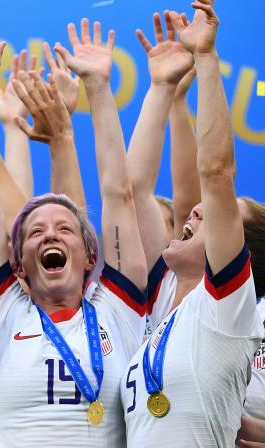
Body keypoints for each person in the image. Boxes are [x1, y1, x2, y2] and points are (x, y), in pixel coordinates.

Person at [0, 20, 148, 445]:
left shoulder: (119, 308)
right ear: (18, 264)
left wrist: (97, 85)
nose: (50, 236)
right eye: (35, 233)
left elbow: (120, 194)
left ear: (91, 255)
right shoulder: (2, 310)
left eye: (64, 228)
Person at [121, 2, 265, 445]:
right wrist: (162, 89)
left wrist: (205, 59)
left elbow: (216, 171)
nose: (196, 210)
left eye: (220, 213)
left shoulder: (226, 307)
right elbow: (133, 193)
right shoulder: (162, 302)